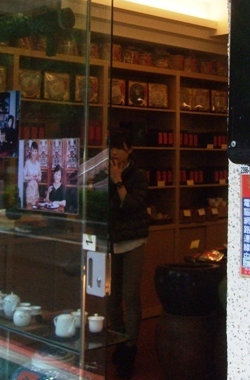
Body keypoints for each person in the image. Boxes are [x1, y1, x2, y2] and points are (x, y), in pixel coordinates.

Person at [108, 128, 149, 379]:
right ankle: (120, 340)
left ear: (130, 150)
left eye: (119, 148)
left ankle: (130, 348)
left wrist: (118, 181)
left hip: (133, 242)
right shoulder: (104, 171)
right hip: (111, 241)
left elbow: (134, 206)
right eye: (111, 147)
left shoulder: (139, 175)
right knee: (112, 297)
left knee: (130, 295)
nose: (114, 152)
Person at [23, 141, 42, 207]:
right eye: (32, 151)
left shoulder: (38, 164)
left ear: (37, 152)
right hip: (29, 191)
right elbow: (23, 177)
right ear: (30, 151)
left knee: (36, 208)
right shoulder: (27, 163)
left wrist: (38, 178)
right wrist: (31, 177)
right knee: (29, 208)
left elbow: (40, 178)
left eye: (35, 151)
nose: (34, 153)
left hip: (36, 191)